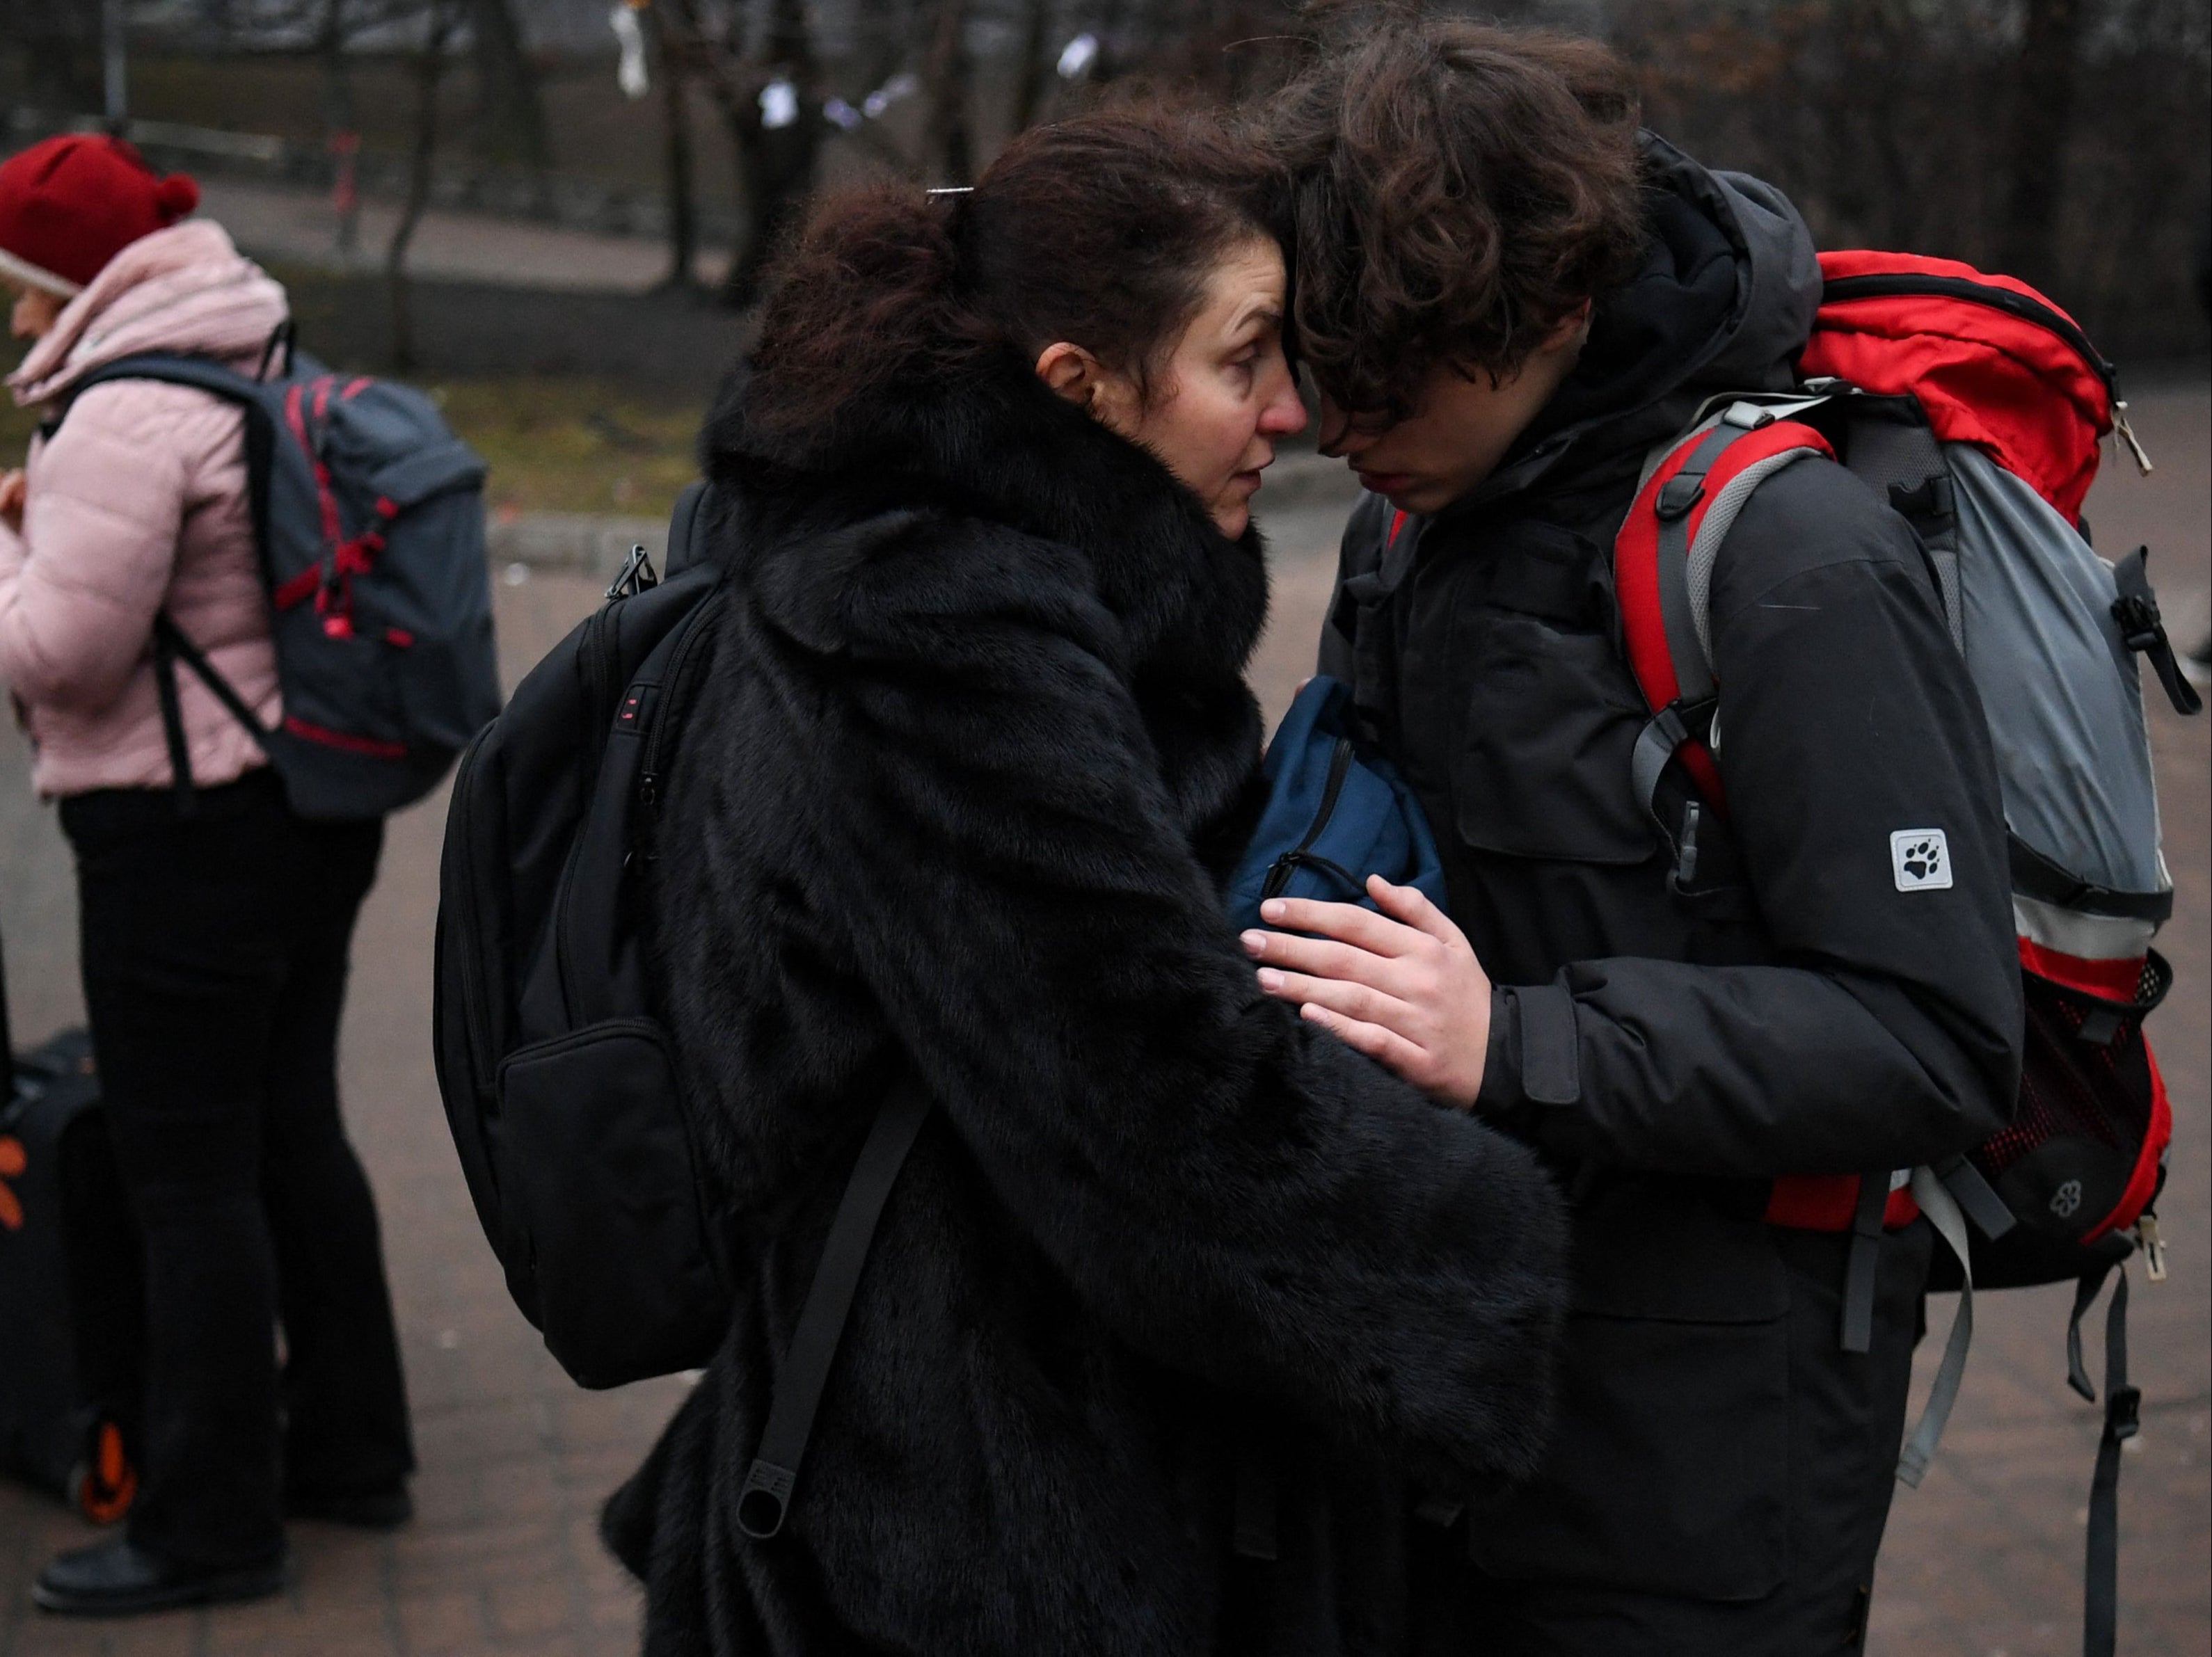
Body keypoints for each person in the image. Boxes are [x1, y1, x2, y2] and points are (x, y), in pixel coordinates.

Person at [600, 113, 1570, 1655]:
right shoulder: (939, 633)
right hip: (976, 1509)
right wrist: (1480, 1263)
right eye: (1244, 359)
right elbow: (1145, 1096)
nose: (1292, 413)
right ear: (1081, 388)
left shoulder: (948, 563)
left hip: (953, 1427)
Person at [1250, 23, 2024, 1655]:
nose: (1334, 423)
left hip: (1704, 1463)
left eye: (1383, 373)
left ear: (1547, 308)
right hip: (1455, 1406)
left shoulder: (1791, 557)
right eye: (1324, 369)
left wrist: (1516, 1043)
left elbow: (1935, 1037)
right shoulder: (1419, 524)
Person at [0, 134, 414, 1616]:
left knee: (190, 1180)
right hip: (305, 803)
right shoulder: (246, 339)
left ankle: (212, 1522)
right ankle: (357, 1448)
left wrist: (16, 550)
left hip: (179, 838)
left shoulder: (116, 414)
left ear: (68, 282)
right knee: (292, 1126)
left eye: (24, 294)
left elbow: (60, 654)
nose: (19, 325)